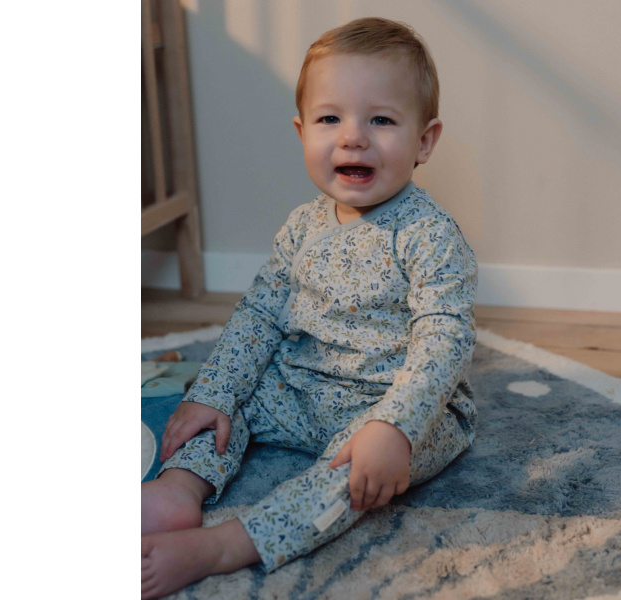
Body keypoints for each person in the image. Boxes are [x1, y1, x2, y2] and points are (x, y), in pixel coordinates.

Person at [141, 17, 478, 598]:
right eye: (330, 119)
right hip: (302, 387)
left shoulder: (428, 235)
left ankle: (227, 544)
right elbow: (259, 316)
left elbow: (444, 341)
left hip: (400, 406)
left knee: (354, 479)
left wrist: (394, 425)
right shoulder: (302, 226)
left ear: (424, 141)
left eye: (380, 120)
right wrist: (213, 394)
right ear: (302, 132)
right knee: (228, 400)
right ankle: (179, 488)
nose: (353, 138)